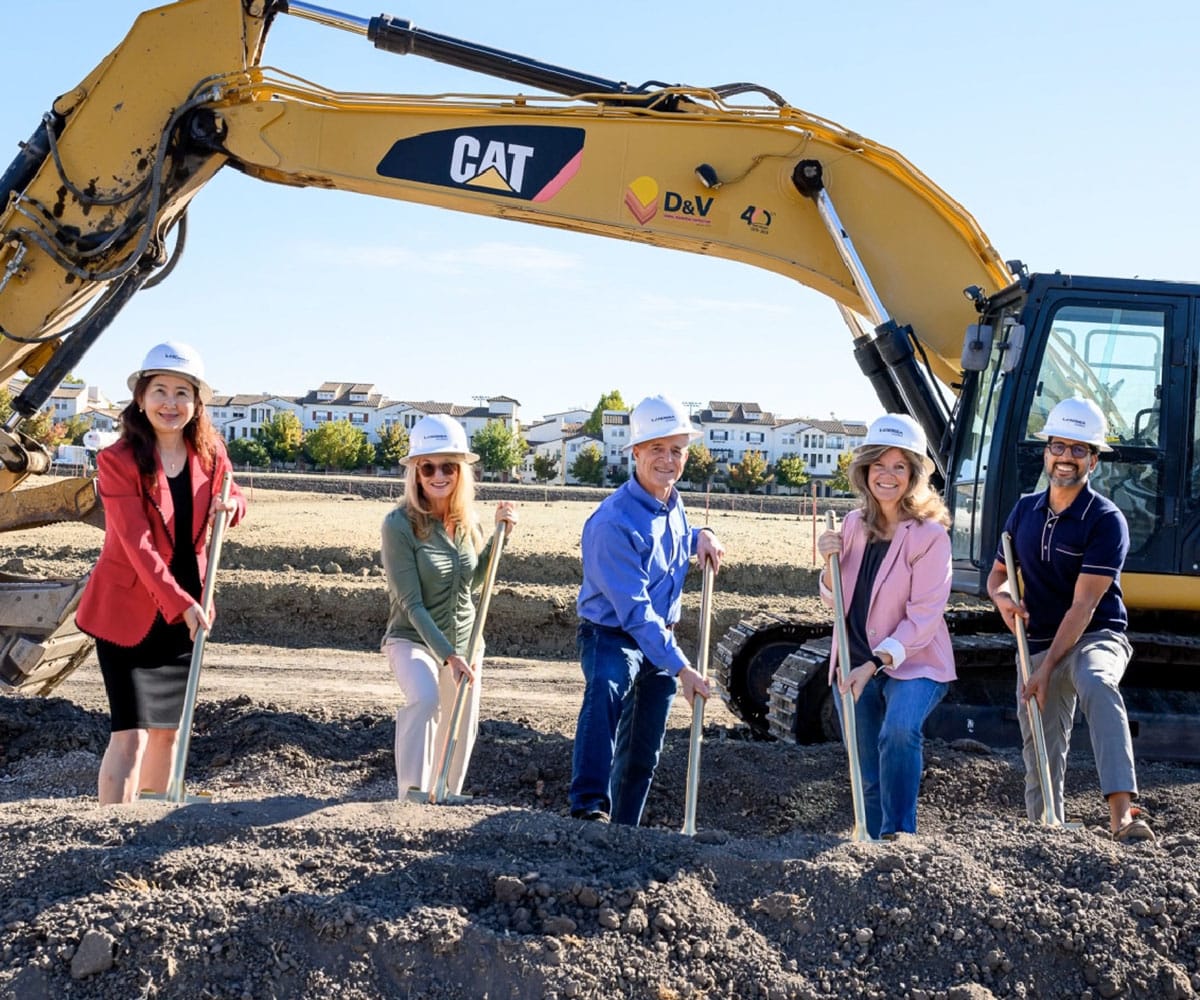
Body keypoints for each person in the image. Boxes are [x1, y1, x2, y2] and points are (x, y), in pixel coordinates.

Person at [76, 341, 246, 804]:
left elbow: (235, 499)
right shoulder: (117, 460)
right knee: (130, 734)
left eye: (182, 393)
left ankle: (147, 828)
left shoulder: (212, 454)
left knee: (169, 733)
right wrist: (180, 605)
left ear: (197, 403)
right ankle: (113, 827)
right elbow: (136, 544)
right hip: (128, 612)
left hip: (189, 606)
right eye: (160, 391)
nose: (170, 403)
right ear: (141, 397)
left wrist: (231, 507)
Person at [986, 397, 1152, 841]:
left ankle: (1123, 816)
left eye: (1079, 450)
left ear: (1093, 461)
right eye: (1059, 446)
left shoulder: (1106, 520)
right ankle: (1046, 829)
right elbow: (999, 575)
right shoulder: (1024, 511)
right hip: (1038, 637)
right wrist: (1003, 600)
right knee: (1038, 734)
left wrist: (1045, 668)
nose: (1066, 457)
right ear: (1046, 453)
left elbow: (1084, 607)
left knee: (1097, 683)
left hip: (1096, 635)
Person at [569, 394, 725, 826]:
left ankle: (626, 830)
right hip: (613, 634)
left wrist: (701, 535)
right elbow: (635, 612)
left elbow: (668, 537)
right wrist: (682, 668)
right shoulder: (611, 523)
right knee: (606, 691)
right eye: (657, 448)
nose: (668, 459)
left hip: (660, 635)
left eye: (676, 449)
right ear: (636, 452)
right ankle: (588, 807)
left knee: (645, 747)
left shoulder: (672, 501)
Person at [816, 413, 955, 839]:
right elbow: (835, 599)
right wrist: (828, 565)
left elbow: (924, 617)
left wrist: (875, 663)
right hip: (854, 658)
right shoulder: (855, 525)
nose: (888, 475)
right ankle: (871, 841)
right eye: (880, 465)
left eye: (900, 466)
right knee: (864, 763)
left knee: (898, 731)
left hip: (914, 661)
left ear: (914, 474)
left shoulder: (930, 535)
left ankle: (900, 837)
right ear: (866, 471)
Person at [380, 413, 517, 798]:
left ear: (460, 472)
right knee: (425, 699)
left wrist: (499, 535)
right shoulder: (399, 525)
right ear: (416, 472)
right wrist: (448, 656)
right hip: (414, 639)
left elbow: (473, 582)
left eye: (448, 467)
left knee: (460, 724)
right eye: (428, 467)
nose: (438, 475)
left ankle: (445, 797)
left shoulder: (464, 521)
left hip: (466, 641)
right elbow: (410, 603)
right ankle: (411, 794)